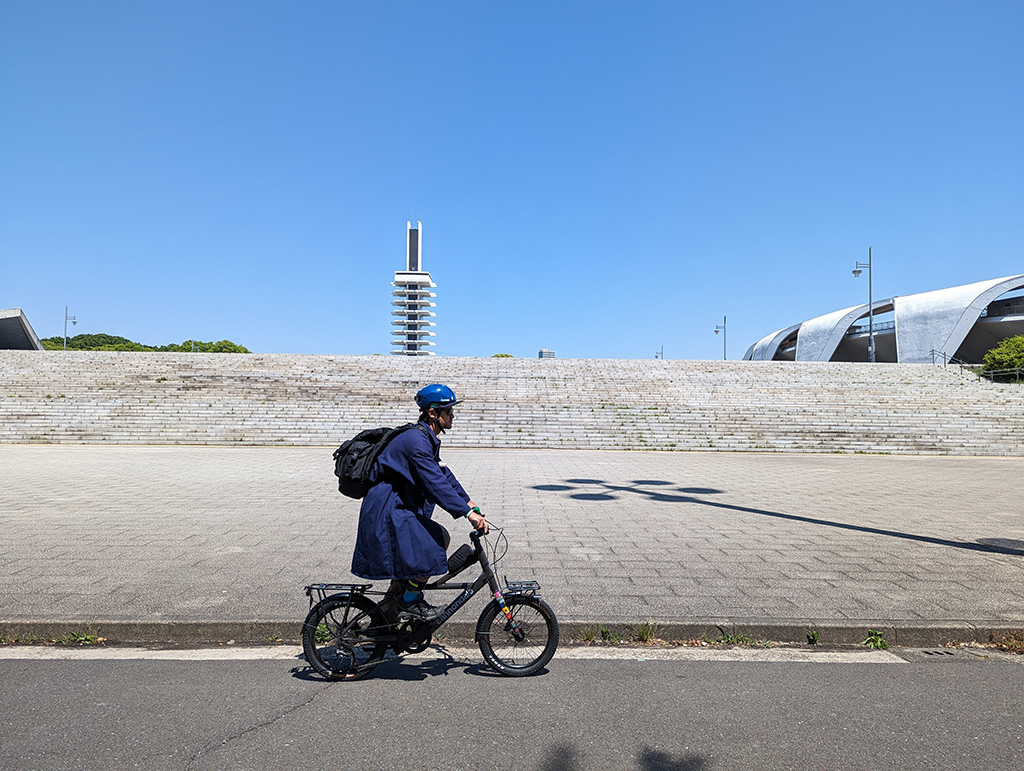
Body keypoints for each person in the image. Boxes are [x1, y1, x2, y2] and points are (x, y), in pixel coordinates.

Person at [351, 383, 488, 622]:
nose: (453, 416)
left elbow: (443, 473)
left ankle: (385, 622)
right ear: (433, 413)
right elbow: (434, 482)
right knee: (436, 539)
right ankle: (409, 601)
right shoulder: (415, 441)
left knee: (407, 567)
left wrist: (468, 501)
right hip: (388, 510)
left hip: (397, 507)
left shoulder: (424, 437)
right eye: (449, 411)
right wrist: (467, 514)